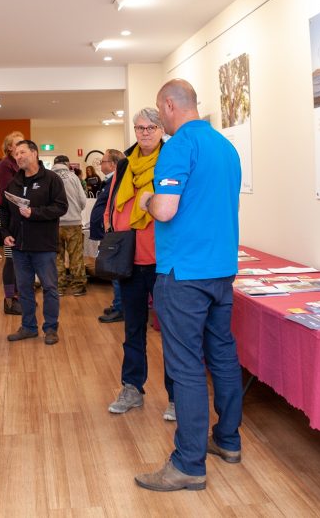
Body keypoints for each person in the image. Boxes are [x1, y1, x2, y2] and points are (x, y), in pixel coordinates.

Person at [134, 79, 242, 493]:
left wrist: (145, 199)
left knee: (186, 367)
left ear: (167, 105)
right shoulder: (226, 147)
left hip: (185, 274)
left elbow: (165, 209)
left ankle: (188, 463)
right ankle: (228, 441)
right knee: (223, 356)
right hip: (221, 270)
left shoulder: (178, 146)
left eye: (158, 114)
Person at [105, 109, 175, 421]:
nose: (144, 133)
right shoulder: (125, 164)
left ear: (161, 129)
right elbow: (112, 204)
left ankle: (176, 396)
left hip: (164, 259)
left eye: (150, 127)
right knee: (133, 328)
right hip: (130, 258)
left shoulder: (171, 158)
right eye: (139, 127)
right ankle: (132, 388)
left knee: (173, 332)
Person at [1, 140, 68, 345]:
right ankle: (28, 327)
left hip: (44, 247)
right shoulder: (14, 182)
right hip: (19, 247)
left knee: (49, 287)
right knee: (25, 288)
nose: (18, 156)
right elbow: (4, 211)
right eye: (15, 154)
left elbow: (61, 207)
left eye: (22, 152)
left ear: (34, 153)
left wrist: (35, 213)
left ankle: (50, 329)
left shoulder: (51, 179)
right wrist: (5, 233)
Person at [94, 149, 125, 324]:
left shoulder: (117, 181)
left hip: (115, 234)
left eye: (103, 161)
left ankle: (120, 308)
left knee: (115, 271)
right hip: (109, 232)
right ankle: (118, 305)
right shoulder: (110, 181)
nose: (101, 165)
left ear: (113, 164)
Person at [0, 130, 25, 315]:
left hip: (22, 215)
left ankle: (21, 296)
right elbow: (10, 192)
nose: (21, 146)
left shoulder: (22, 164)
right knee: (11, 258)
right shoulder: (5, 165)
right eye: (17, 143)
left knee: (21, 259)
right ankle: (9, 299)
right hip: (8, 215)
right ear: (9, 148)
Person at [51, 155, 88, 297]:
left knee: (56, 257)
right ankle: (78, 287)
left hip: (54, 224)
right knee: (76, 256)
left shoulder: (48, 177)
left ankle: (59, 287)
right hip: (73, 223)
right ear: (67, 164)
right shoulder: (73, 177)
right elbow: (82, 200)